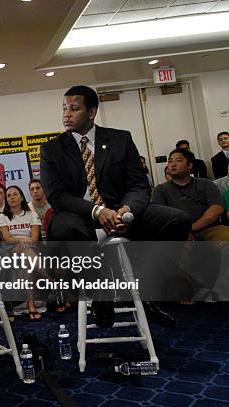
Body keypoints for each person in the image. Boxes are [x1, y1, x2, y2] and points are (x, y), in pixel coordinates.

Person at [40, 86, 191, 328]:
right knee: (66, 229)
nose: (66, 114)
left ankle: (148, 289)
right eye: (64, 108)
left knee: (178, 220)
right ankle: (100, 296)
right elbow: (57, 196)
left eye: (74, 108)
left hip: (121, 213)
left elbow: (139, 185)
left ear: (92, 112)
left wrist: (126, 210)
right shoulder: (52, 149)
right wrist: (98, 212)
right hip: (80, 215)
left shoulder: (121, 139)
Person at [152, 148, 229, 241]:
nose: (173, 164)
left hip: (209, 228)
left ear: (189, 165)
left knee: (225, 236)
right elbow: (160, 217)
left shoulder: (206, 184)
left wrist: (192, 227)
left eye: (178, 160)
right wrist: (181, 232)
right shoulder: (160, 190)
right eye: (170, 161)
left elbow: (217, 208)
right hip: (177, 232)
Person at [0, 185, 43, 320]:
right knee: (24, 252)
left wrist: (24, 242)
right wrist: (22, 240)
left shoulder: (32, 215)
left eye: (15, 194)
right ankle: (52, 282)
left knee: (26, 259)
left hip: (30, 248)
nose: (11, 197)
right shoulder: (2, 217)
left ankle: (31, 303)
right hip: (11, 249)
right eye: (9, 195)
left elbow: (34, 239)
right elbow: (7, 239)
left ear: (21, 197)